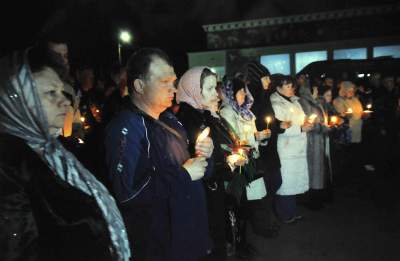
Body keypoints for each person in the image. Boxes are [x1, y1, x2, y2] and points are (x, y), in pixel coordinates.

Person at [0, 46, 130, 260]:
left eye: (62, 91)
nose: (64, 101)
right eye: (50, 93)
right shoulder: (9, 165)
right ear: (18, 98)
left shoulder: (55, 150)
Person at [104, 48, 214, 261]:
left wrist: (203, 156)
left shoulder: (169, 119)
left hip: (190, 236)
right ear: (139, 85)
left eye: (174, 81)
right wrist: (184, 174)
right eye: (165, 82)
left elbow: (197, 171)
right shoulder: (127, 126)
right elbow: (128, 194)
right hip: (163, 245)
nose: (173, 88)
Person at [175, 66, 244, 260]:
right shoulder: (187, 122)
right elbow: (199, 163)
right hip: (202, 196)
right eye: (210, 88)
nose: (216, 94)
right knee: (210, 242)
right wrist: (226, 163)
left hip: (212, 191)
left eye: (216, 88)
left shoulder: (203, 115)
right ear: (194, 90)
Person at [219, 76, 270, 258]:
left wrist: (260, 137)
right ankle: (238, 243)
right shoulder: (226, 112)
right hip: (239, 166)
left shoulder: (246, 111)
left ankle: (245, 240)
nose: (243, 94)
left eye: (243, 91)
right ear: (230, 93)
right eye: (239, 91)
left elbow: (251, 135)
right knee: (240, 205)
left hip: (251, 162)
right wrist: (254, 139)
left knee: (250, 203)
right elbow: (234, 141)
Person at [240, 61, 284, 237]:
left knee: (275, 182)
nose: (268, 81)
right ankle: (263, 224)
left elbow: (271, 120)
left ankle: (266, 218)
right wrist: (259, 135)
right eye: (265, 77)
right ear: (256, 79)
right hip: (260, 150)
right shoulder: (251, 99)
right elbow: (251, 124)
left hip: (271, 148)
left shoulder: (265, 95)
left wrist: (279, 126)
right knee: (263, 188)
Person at [269, 74, 312, 224]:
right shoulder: (276, 104)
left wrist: (306, 123)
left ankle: (291, 212)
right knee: (286, 184)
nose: (291, 88)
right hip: (286, 149)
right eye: (287, 86)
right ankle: (284, 214)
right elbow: (280, 129)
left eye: (292, 86)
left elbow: (298, 121)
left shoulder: (293, 100)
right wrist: (300, 128)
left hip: (296, 148)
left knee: (292, 183)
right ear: (278, 88)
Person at [298, 79, 332, 210]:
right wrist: (324, 128)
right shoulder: (304, 102)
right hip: (311, 141)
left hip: (319, 140)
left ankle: (318, 197)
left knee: (318, 169)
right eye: (315, 89)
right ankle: (313, 200)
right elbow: (309, 123)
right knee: (314, 170)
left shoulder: (316, 101)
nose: (317, 91)